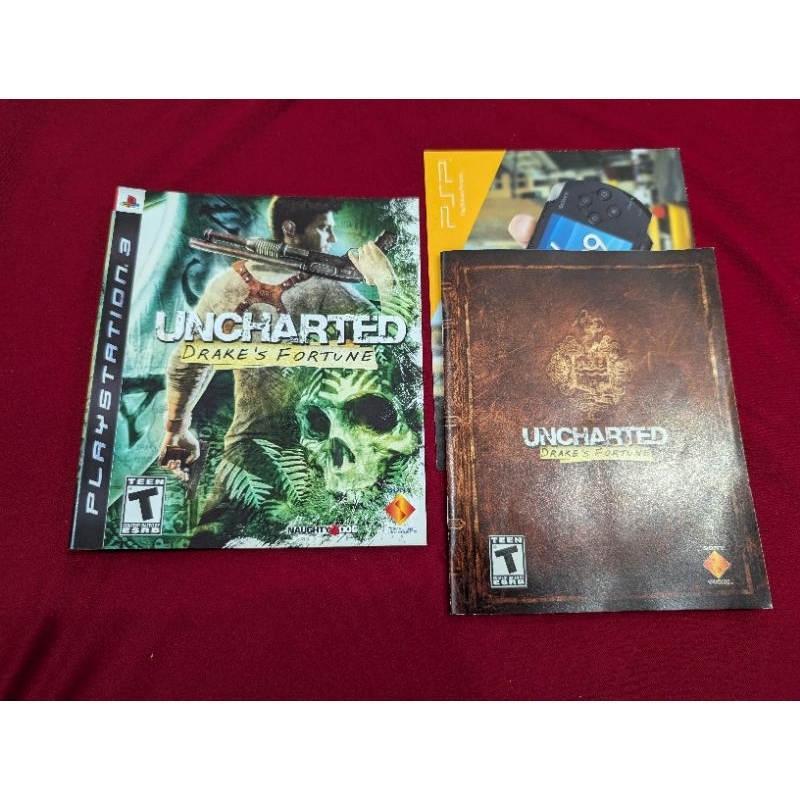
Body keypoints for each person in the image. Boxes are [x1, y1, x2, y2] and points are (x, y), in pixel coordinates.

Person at [159, 197, 397, 545]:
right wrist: (385, 281)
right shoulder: (324, 288)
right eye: (323, 228)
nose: (331, 238)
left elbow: (188, 361)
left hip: (261, 450)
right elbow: (397, 340)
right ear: (290, 230)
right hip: (317, 452)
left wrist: (176, 428)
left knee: (210, 545)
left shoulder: (227, 285)